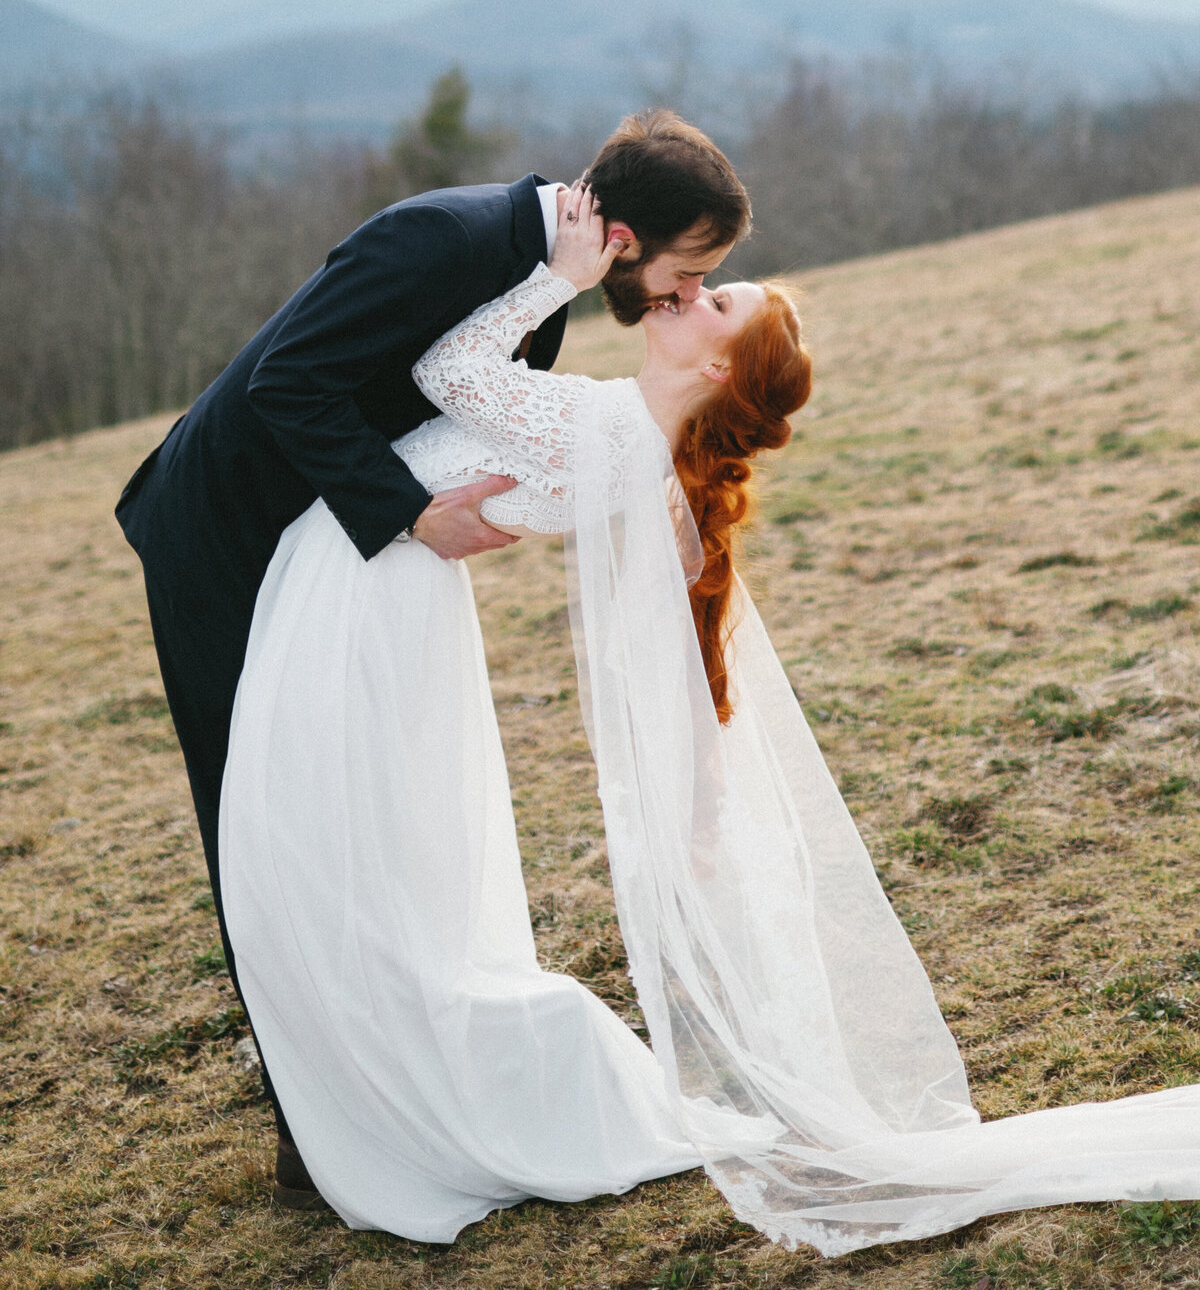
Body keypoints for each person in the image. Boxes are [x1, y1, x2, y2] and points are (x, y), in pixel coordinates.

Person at [222, 186, 1200, 1257]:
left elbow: (446, 376)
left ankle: (399, 1091)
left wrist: (559, 277)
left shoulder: (606, 428)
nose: (688, 293)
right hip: (379, 584)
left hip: (361, 594)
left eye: (712, 299)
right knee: (345, 845)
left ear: (721, 367)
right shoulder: (622, 430)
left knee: (320, 843)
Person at [114, 110, 751, 1203]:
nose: (683, 294)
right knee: (260, 826)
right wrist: (412, 518)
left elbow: (461, 407)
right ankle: (317, 1131)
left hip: (336, 565)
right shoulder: (443, 239)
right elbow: (289, 384)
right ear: (632, 237)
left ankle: (371, 1086)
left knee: (346, 820)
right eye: (689, 270)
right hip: (226, 533)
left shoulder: (532, 285)